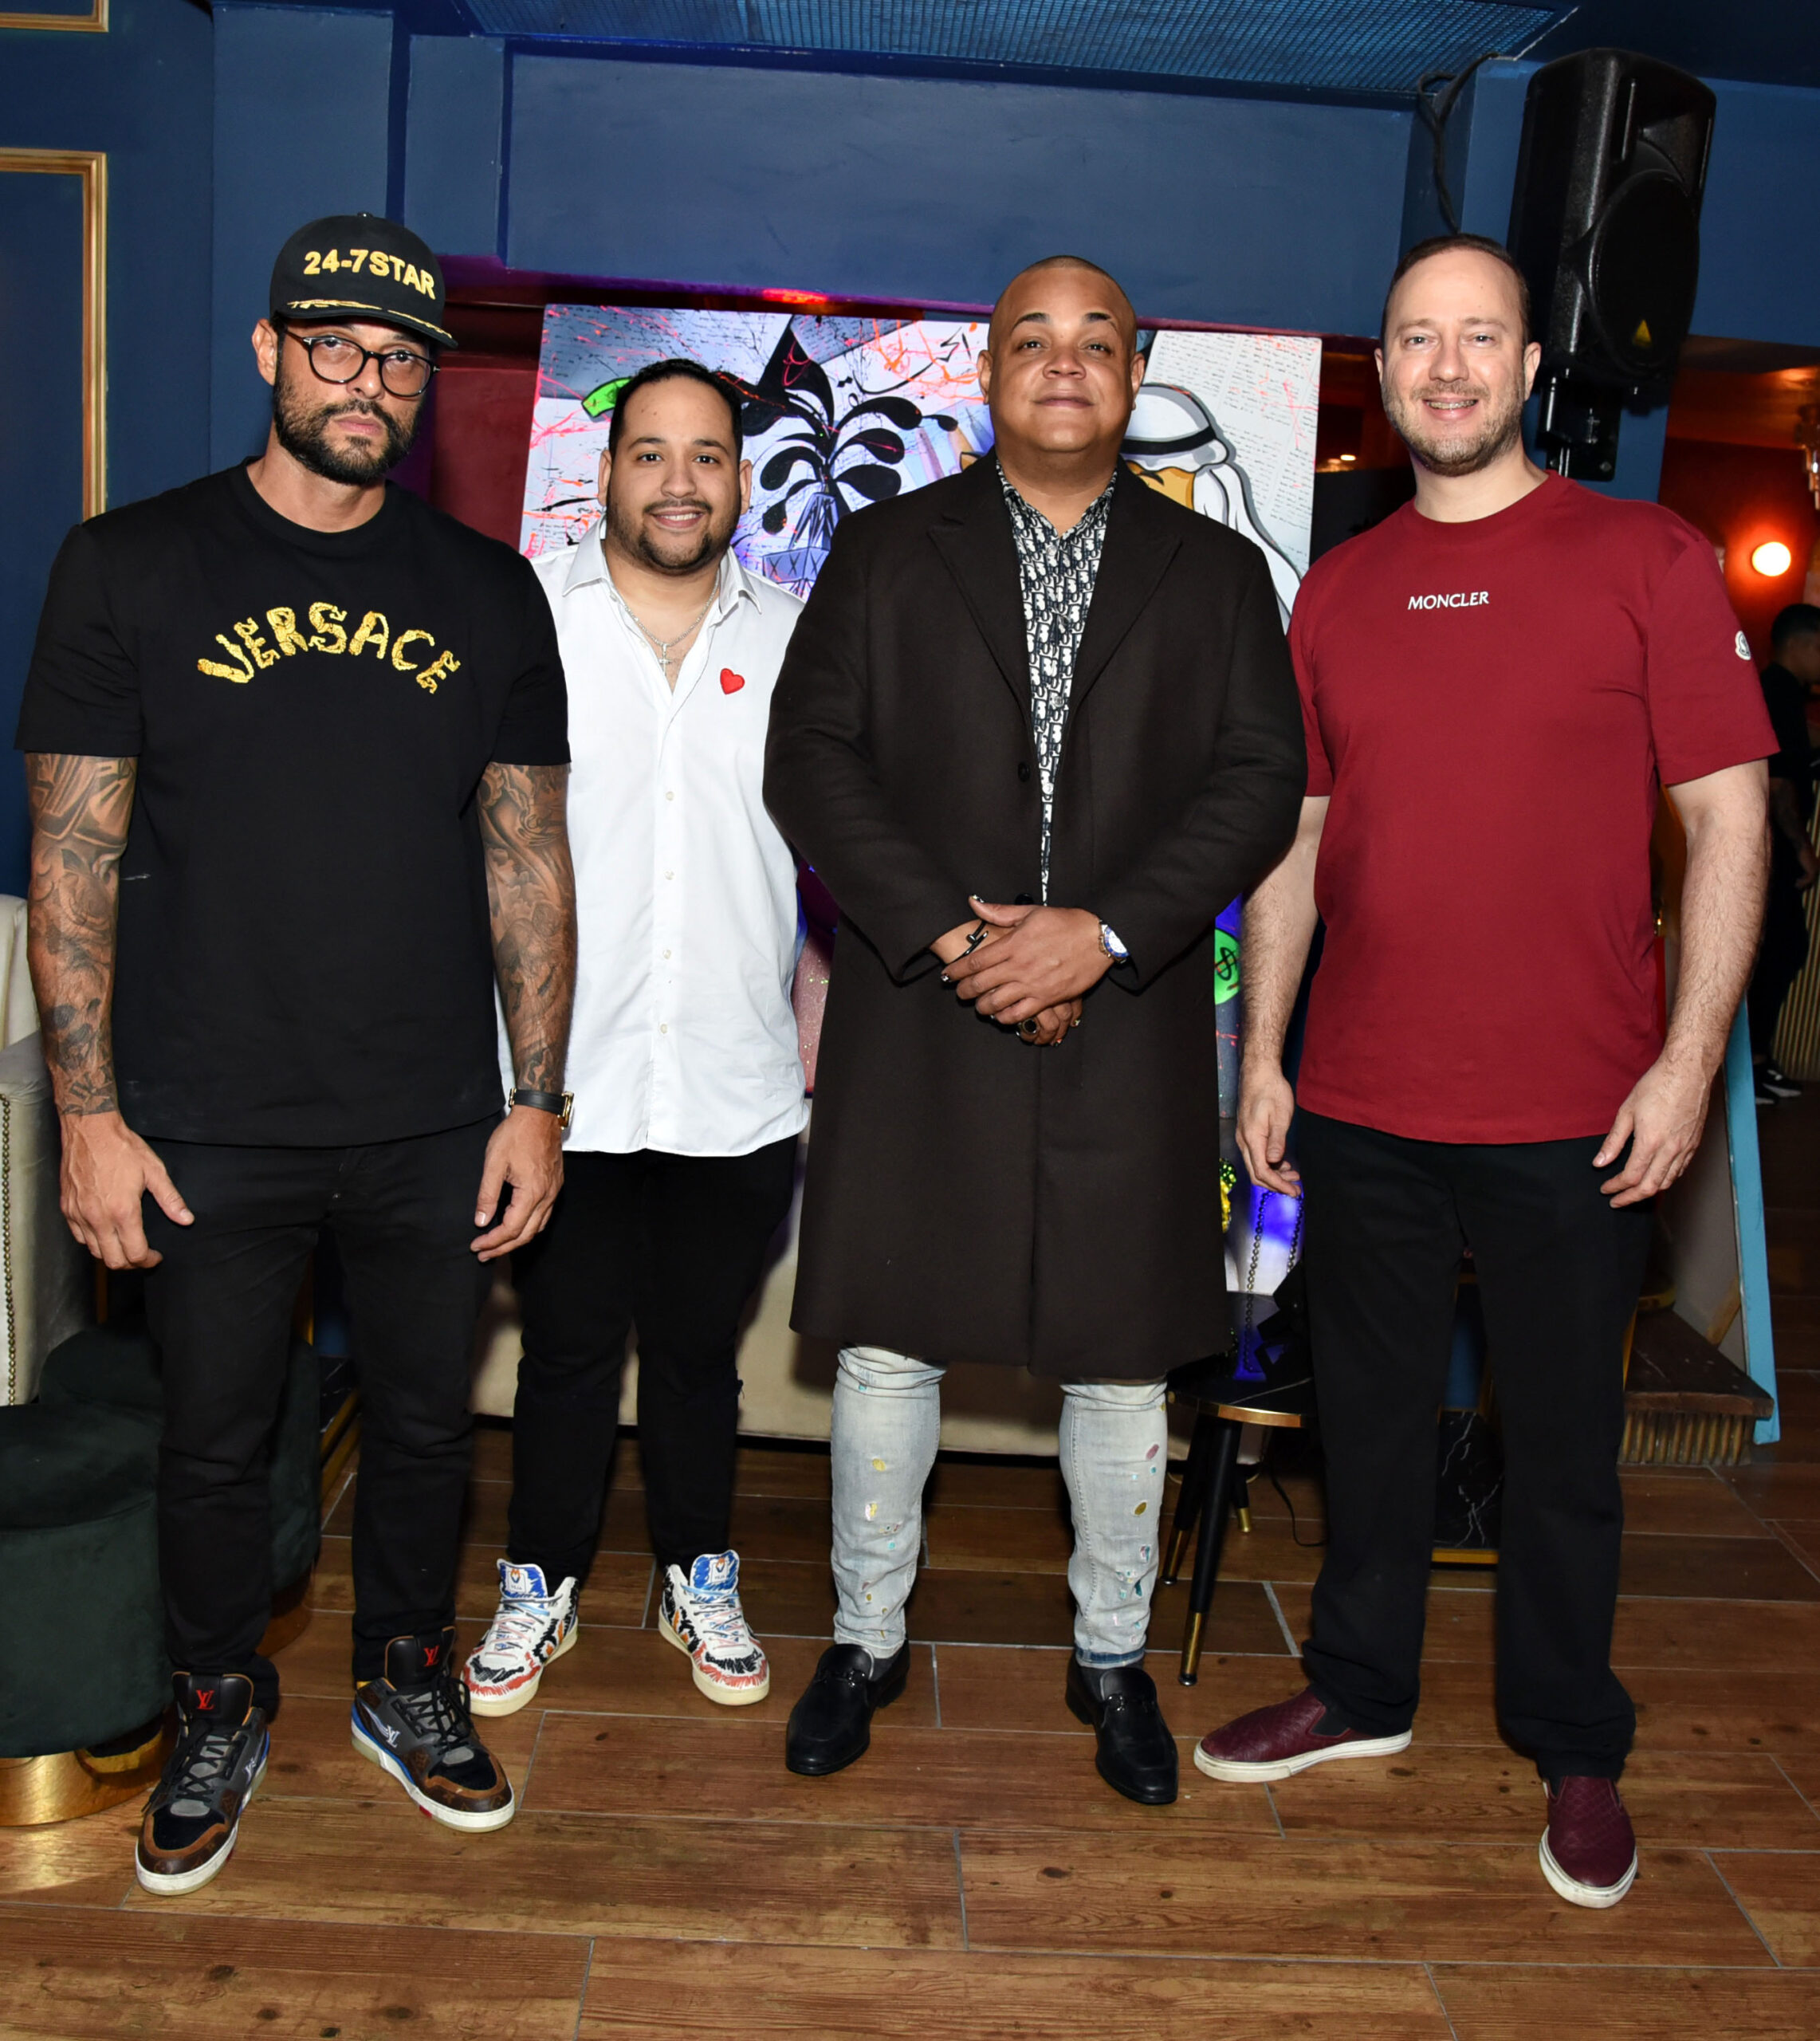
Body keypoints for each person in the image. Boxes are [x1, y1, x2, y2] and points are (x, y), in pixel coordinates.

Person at [1195, 234, 1773, 1909]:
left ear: (1527, 367)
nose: (1444, 367)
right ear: (1380, 374)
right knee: (1366, 1425)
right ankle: (1359, 1685)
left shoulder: (1645, 557)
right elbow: (1298, 836)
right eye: (1412, 340)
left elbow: (1728, 821)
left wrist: (1685, 1062)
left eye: (1477, 338)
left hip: (1579, 1112)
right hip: (1359, 1100)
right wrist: (1263, 1051)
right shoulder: (1336, 591)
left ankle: (1574, 1740)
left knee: (1563, 1453)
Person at [17, 214, 576, 1896]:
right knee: (209, 1438)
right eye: (335, 346)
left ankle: (406, 1674)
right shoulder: (128, 566)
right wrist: (88, 1116)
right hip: (201, 1112)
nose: (368, 383)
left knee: (424, 1428)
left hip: (429, 1111)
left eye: (401, 358)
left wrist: (536, 1101)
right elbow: (71, 856)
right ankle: (213, 1699)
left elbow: (527, 857)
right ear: (270, 352)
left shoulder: (485, 591)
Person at [764, 256, 1305, 1805]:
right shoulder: (885, 549)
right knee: (888, 1345)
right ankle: (864, 1640)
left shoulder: (1214, 574)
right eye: (1030, 339)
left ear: (1132, 374)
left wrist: (1101, 931)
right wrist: (957, 935)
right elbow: (809, 758)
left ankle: (1109, 1657)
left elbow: (1257, 780)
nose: (1062, 363)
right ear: (985, 372)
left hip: (1125, 1013)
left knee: (1122, 1363)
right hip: (919, 1009)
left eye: (1094, 341)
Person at [463, 359, 804, 1717]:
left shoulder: (798, 640)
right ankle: (539, 1580)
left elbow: (843, 850)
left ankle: (692, 1573)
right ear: (603, 473)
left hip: (733, 1077)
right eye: (650, 452)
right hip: (562, 1082)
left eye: (706, 456)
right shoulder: (521, 620)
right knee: (562, 1352)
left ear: (740, 481)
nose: (678, 480)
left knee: (699, 1358)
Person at [1747, 602, 1820, 1103]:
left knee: (1781, 949)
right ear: (1803, 644)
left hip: (1767, 844)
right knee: (1778, 950)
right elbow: (1777, 783)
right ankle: (1751, 1068)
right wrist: (1803, 848)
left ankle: (1757, 1063)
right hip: (1771, 845)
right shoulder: (1777, 691)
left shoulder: (1778, 692)